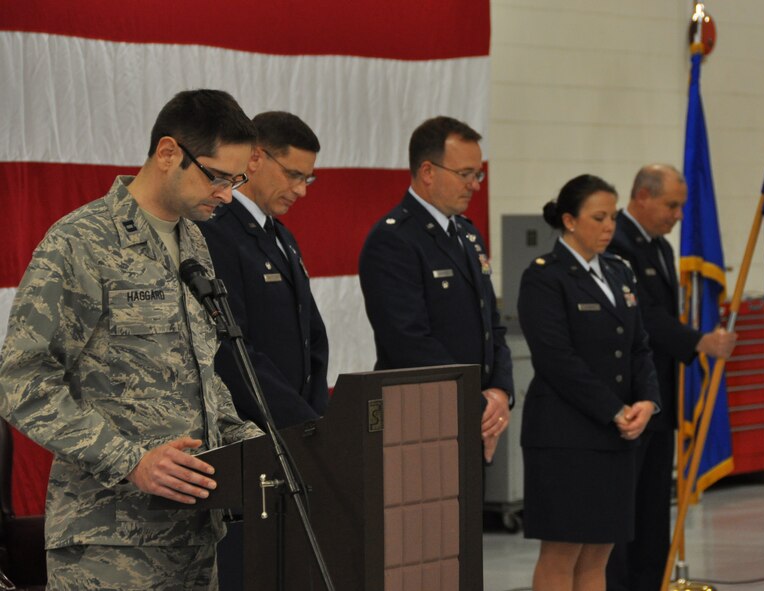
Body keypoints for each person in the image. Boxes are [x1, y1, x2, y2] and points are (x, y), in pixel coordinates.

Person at [0, 89, 263, 591]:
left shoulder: (194, 242)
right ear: (169, 153)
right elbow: (22, 380)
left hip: (195, 535)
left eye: (237, 180)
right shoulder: (80, 242)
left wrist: (251, 445)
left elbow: (200, 375)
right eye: (219, 177)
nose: (229, 195)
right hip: (108, 544)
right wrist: (130, 461)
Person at [519, 174, 661, 591]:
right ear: (569, 220)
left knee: (600, 551)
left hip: (614, 435)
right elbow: (556, 359)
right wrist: (614, 409)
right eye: (598, 217)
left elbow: (639, 346)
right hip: (565, 435)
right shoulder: (545, 276)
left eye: (613, 217)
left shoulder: (619, 271)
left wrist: (647, 401)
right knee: (562, 552)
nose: (608, 227)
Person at [605, 164, 737, 591]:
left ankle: (653, 581)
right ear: (642, 196)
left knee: (653, 504)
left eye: (681, 206)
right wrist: (699, 342)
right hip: (628, 397)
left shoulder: (660, 247)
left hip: (661, 394)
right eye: (672, 205)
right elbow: (642, 316)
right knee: (625, 506)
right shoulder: (617, 243)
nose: (679, 214)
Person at [358, 116, 513, 462]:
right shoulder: (394, 239)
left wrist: (501, 392)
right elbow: (408, 341)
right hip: (423, 418)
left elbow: (493, 325)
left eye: (479, 174)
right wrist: (478, 402)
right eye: (465, 174)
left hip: (475, 415)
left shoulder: (468, 235)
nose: (475, 185)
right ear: (428, 172)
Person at [198, 111, 328, 431]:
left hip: (296, 426)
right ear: (255, 158)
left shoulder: (282, 236)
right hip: (253, 430)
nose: (301, 190)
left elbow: (312, 336)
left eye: (307, 179)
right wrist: (300, 422)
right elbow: (230, 348)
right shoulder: (217, 232)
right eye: (293, 175)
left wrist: (316, 418)